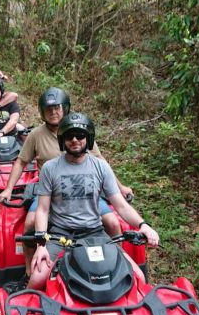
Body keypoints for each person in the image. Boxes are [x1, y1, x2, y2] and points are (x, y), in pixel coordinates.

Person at [0, 88, 134, 273]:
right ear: (42, 112)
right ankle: (30, 266)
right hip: (49, 190)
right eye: (49, 109)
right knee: (30, 223)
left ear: (65, 109)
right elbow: (21, 161)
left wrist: (121, 187)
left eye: (57, 108)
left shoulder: (81, 131)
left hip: (84, 189)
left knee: (113, 222)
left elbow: (101, 162)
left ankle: (115, 266)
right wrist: (8, 188)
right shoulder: (36, 135)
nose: (54, 113)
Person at [29, 113, 159, 289]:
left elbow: (120, 205)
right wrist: (41, 245)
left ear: (88, 139)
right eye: (69, 136)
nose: (75, 140)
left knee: (138, 278)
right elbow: (43, 210)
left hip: (94, 233)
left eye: (80, 135)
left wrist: (143, 225)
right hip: (59, 234)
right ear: (62, 140)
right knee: (37, 279)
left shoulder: (101, 167)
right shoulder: (50, 168)